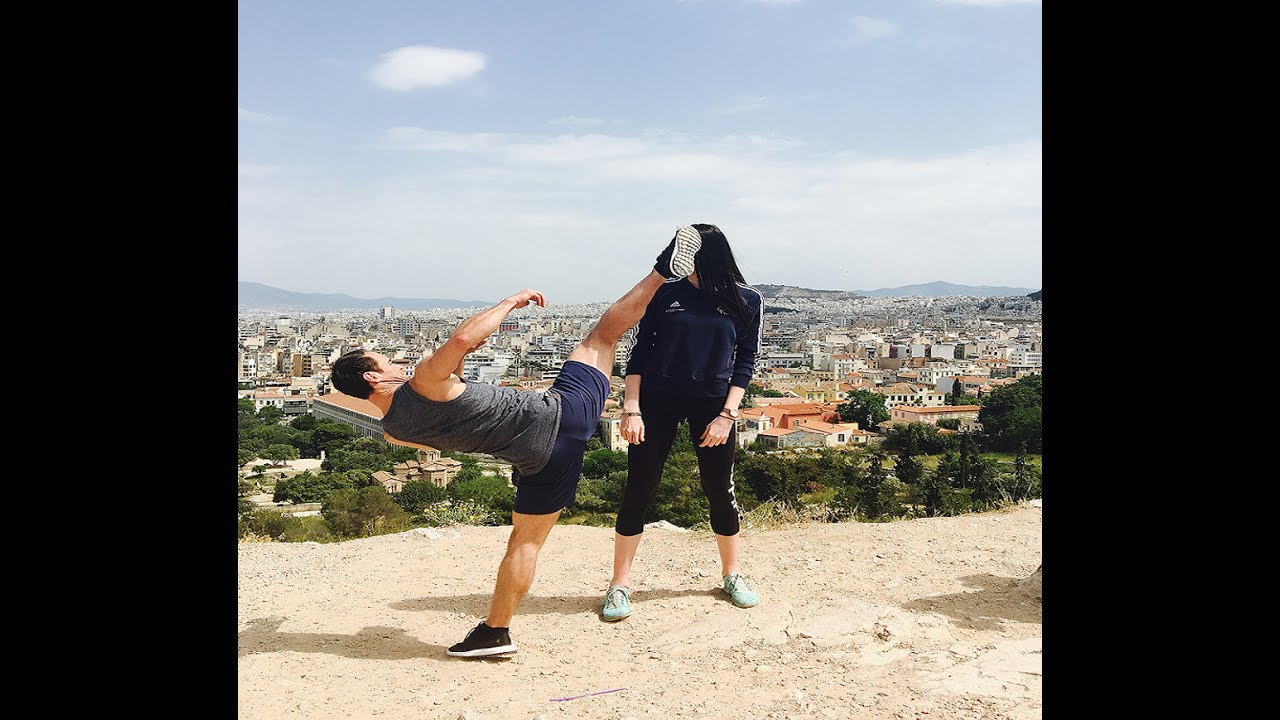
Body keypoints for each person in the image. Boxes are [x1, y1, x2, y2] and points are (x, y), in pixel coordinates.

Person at [327, 225, 704, 658]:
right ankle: (662, 270)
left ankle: (496, 632)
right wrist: (511, 301)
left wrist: (456, 372)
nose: (396, 363)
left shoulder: (395, 431)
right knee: (602, 335)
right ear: (372, 377)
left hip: (538, 460)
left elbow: (455, 423)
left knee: (524, 542)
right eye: (386, 362)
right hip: (560, 413)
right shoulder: (423, 380)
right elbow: (463, 339)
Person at [602, 223, 765, 622]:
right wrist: (631, 408)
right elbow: (639, 354)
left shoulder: (746, 300)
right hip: (657, 399)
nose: (680, 258)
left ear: (705, 253)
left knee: (719, 488)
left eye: (686, 250)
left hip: (713, 403)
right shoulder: (665, 293)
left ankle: (732, 574)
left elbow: (745, 361)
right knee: (640, 486)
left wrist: (727, 415)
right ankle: (619, 584)